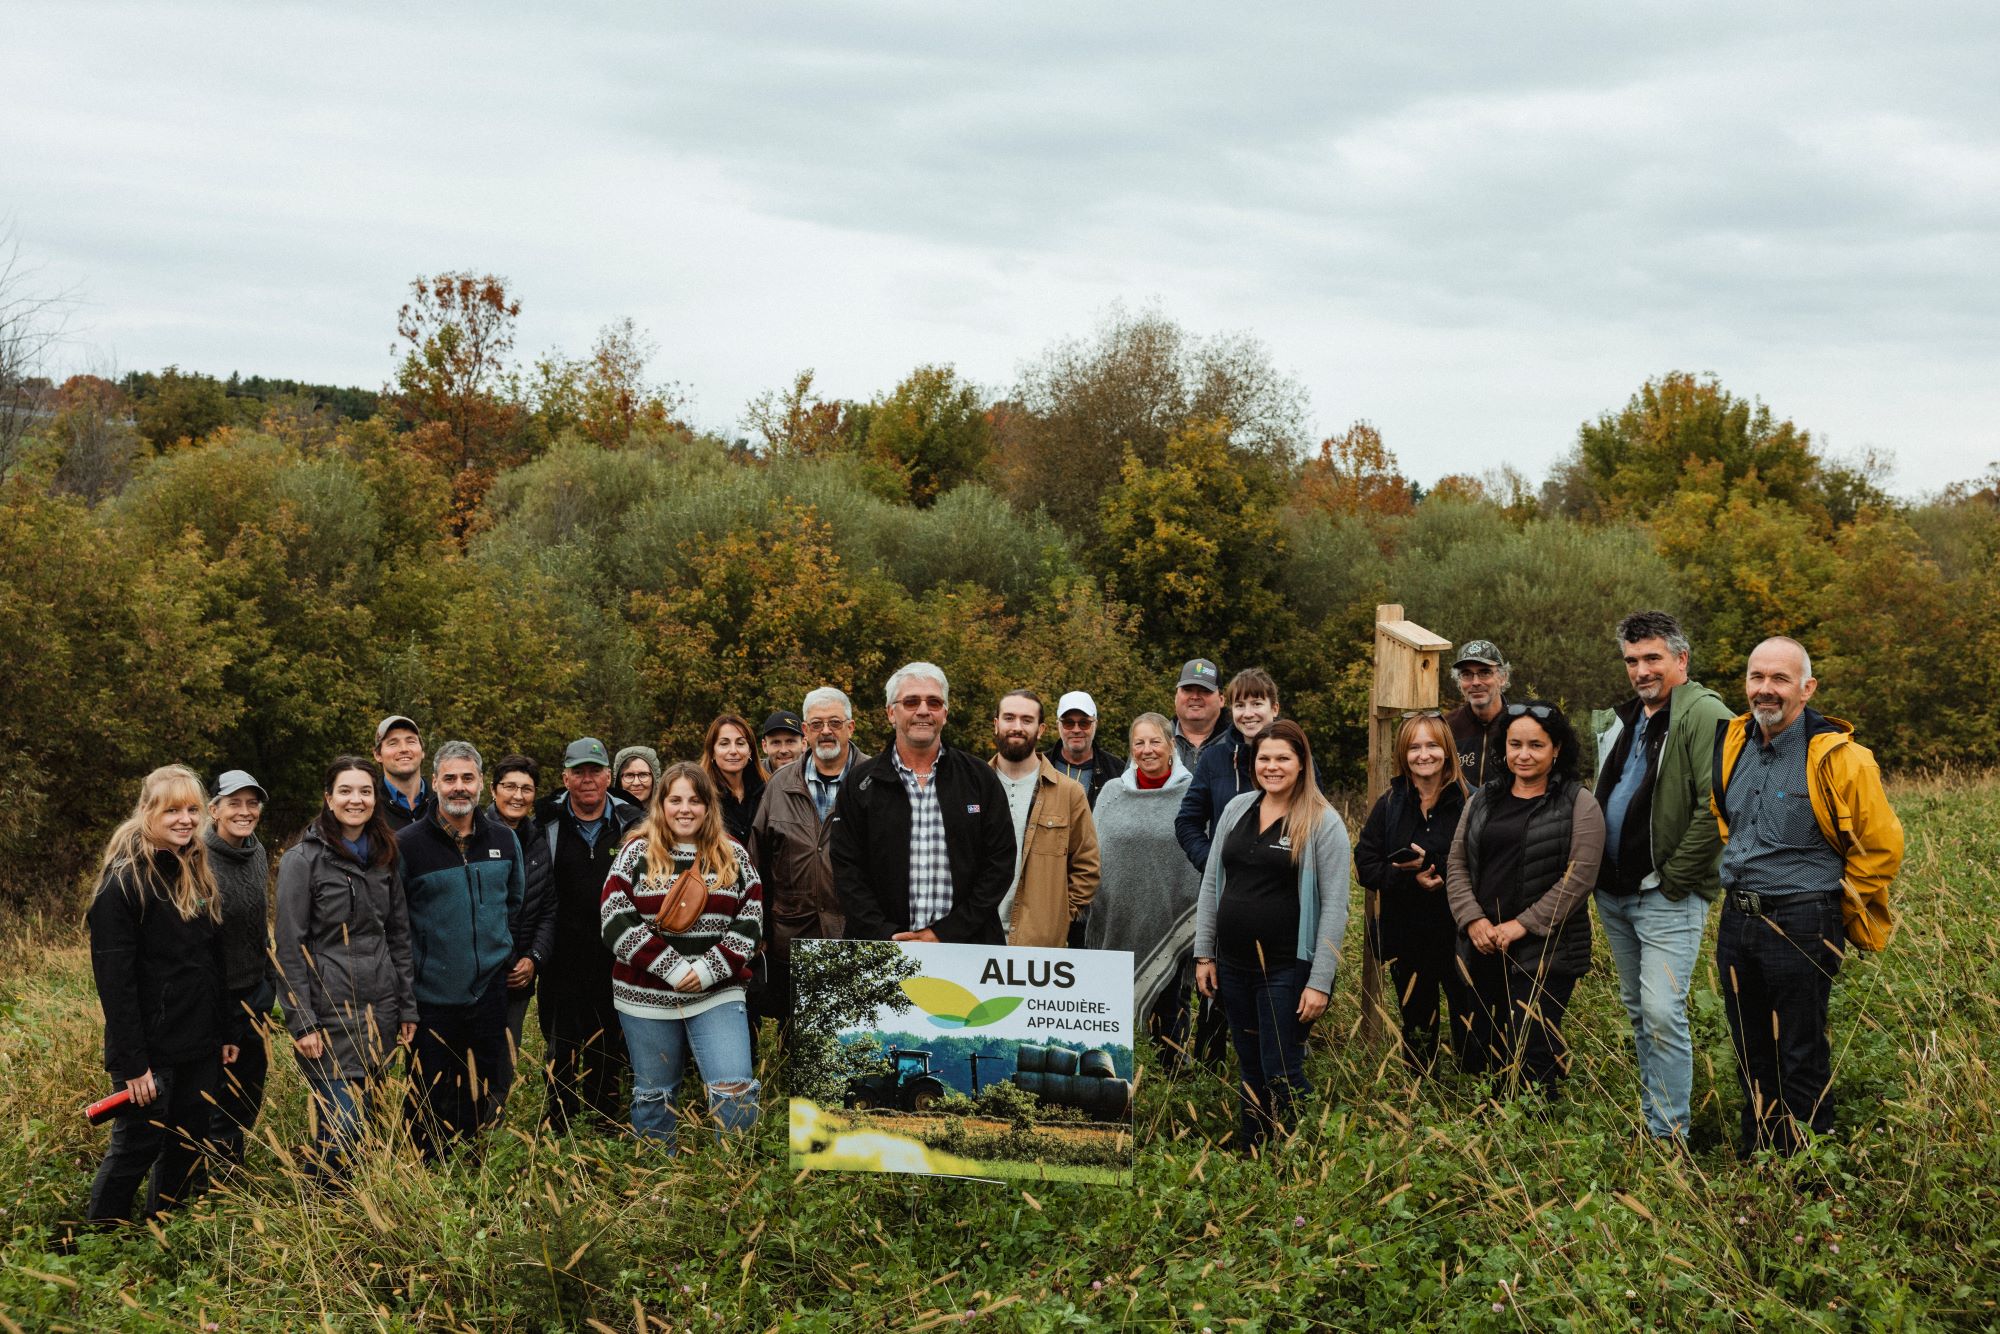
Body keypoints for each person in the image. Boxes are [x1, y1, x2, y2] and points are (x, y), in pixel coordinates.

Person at [1712, 636, 1904, 1157]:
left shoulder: (1842, 758)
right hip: (1737, 919)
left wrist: (1831, 912)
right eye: (1757, 677)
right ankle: (1760, 1156)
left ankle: (1809, 1167)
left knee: (1800, 1050)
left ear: (1806, 686)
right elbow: (1728, 820)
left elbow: (1882, 847)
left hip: (1803, 919)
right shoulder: (1732, 742)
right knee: (1750, 1047)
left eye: (1780, 679)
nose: (1766, 689)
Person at [1591, 611, 1734, 1142]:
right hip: (1615, 893)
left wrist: (1673, 879)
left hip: (1665, 894)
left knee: (1661, 1011)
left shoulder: (1704, 713)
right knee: (1638, 1010)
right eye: (1632, 660)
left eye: (1653, 658)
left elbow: (1716, 807)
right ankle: (1656, 1121)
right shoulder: (1629, 718)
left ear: (1681, 659)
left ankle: (1671, 1136)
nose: (1641, 670)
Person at [84, 766, 240, 1223]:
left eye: (192, 809)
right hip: (150, 1052)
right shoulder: (123, 884)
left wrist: (226, 1029)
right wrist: (134, 1064)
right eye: (172, 809)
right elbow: (115, 985)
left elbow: (213, 962)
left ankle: (162, 1230)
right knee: (138, 1145)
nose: (185, 819)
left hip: (200, 1041)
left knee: (188, 1141)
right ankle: (100, 1240)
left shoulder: (196, 870)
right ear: (147, 811)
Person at [1192, 721, 1351, 1152]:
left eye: (1283, 758)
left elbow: (1336, 906)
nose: (1272, 766)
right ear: (1252, 761)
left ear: (1301, 763)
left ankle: (1303, 1150)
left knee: (1281, 1065)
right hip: (1233, 964)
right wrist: (1204, 954)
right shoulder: (1237, 809)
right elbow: (1212, 884)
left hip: (1287, 968)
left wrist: (1320, 981)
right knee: (1248, 1063)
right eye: (1264, 758)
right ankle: (1253, 1145)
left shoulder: (1322, 821)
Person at [601, 763, 764, 1148]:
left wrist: (709, 969)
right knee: (655, 1093)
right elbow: (614, 917)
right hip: (646, 996)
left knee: (734, 1088)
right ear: (662, 804)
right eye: (675, 799)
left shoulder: (732, 854)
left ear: (709, 806)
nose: (685, 809)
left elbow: (751, 917)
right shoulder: (635, 852)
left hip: (717, 993)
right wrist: (671, 967)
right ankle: (659, 1179)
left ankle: (734, 1174)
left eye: (695, 800)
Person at [1446, 701, 1603, 1095]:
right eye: (1515, 744)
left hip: (1545, 951)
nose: (1524, 754)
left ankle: (1537, 1135)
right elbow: (1457, 863)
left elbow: (1579, 877)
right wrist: (1473, 920)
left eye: (1536, 745)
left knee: (1532, 1049)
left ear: (1557, 749)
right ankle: (1494, 1137)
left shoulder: (1577, 802)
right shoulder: (1483, 799)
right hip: (1484, 947)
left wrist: (1521, 925)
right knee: (1487, 1050)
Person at [275, 757, 417, 1176]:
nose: (356, 799)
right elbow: (288, 946)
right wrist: (302, 1021)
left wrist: (406, 1007)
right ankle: (321, 1215)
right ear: (328, 798)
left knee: (369, 1130)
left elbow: (399, 936)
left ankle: (355, 1222)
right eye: (346, 791)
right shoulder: (302, 861)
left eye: (365, 791)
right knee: (343, 1134)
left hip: (381, 1014)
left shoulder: (385, 855)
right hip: (329, 1017)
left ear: (376, 797)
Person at [397, 742, 523, 1160]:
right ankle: (428, 1177)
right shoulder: (407, 846)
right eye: (449, 778)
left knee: (481, 1088)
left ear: (481, 784)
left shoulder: (504, 840)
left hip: (488, 993)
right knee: (430, 1096)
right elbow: (395, 919)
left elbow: (514, 903)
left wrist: (497, 954)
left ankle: (472, 1170)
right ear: (434, 783)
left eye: (467, 778)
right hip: (431, 994)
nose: (459, 787)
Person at [831, 661, 1016, 944]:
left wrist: (945, 933)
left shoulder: (980, 779)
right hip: (881, 948)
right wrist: (884, 934)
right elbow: (847, 870)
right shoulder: (860, 784)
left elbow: (999, 864)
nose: (923, 710)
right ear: (891, 713)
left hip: (966, 948)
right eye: (911, 701)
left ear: (945, 713)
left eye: (934, 702)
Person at [535, 737, 641, 1133]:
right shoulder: (545, 822)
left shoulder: (634, 821)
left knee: (608, 1040)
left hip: (616, 952)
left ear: (609, 776)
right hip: (560, 952)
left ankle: (604, 1119)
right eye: (578, 772)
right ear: (565, 778)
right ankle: (559, 1120)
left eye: (595, 771)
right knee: (560, 1042)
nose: (587, 779)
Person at [1354, 714, 1470, 1071]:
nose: (1424, 754)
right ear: (1403, 754)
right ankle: (1422, 1098)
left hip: (1460, 935)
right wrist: (1405, 878)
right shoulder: (1391, 804)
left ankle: (1477, 1095)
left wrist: (1439, 868)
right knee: (1418, 1023)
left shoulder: (1471, 801)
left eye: (1432, 745)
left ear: (1447, 750)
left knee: (1471, 1018)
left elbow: (1487, 863)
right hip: (1407, 935)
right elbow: (1364, 863)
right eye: (1414, 747)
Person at [751, 686, 869, 1033]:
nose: (826, 731)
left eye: (835, 722)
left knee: (855, 1038)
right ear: (805, 732)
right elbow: (756, 864)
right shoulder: (779, 785)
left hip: (857, 936)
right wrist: (758, 929)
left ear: (851, 727)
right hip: (793, 937)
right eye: (816, 724)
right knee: (797, 1042)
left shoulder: (875, 780)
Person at [1087, 713, 1201, 1056]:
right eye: (1139, 743)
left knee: (1170, 1012)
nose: (1147, 750)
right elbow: (1095, 852)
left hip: (1170, 919)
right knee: (1112, 1015)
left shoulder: (1192, 792)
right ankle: (1121, 1078)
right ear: (1131, 749)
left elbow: (1195, 861)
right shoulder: (1111, 793)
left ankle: (1170, 1082)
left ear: (1171, 746)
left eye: (1155, 742)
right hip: (1116, 921)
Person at [203, 769, 277, 1172]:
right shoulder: (196, 857)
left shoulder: (257, 850)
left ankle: (231, 1169)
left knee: (249, 1089)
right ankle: (208, 1180)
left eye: (252, 803)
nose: (245, 811)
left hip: (256, 992)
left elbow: (255, 921)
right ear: (214, 809)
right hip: (217, 998)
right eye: (234, 803)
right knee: (217, 1093)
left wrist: (269, 981)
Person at [990, 689, 1100, 947]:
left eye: (1027, 720)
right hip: (978, 938)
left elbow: (1087, 866)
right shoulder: (973, 786)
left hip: (1041, 945)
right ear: (996, 725)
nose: (1017, 727)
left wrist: (1060, 917)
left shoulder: (1069, 792)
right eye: (1009, 718)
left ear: (1040, 730)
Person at [487, 754, 554, 1076]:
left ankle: (492, 1126)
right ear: (493, 790)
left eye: (526, 788)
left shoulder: (538, 842)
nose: (517, 795)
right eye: (509, 786)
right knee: (471, 1061)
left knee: (505, 1064)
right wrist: (507, 958)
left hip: (520, 976)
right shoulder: (474, 835)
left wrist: (533, 958)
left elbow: (548, 909)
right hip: (481, 975)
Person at [1446, 642, 1511, 788]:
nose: (1475, 682)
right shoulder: (1446, 727)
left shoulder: (1518, 723)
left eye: (1485, 672)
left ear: (1503, 678)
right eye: (1466, 674)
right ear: (1459, 681)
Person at [1045, 691, 1125, 808]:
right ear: (1058, 725)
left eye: (1084, 723)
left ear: (1095, 725)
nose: (1076, 730)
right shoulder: (1040, 766)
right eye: (1068, 723)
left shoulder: (1116, 770)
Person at [702, 713, 766, 847]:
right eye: (724, 744)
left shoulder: (767, 790)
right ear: (712, 751)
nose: (733, 751)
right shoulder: (701, 793)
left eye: (740, 743)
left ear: (750, 751)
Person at [373, 714, 434, 831]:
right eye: (393, 743)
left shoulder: (442, 801)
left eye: (411, 741)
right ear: (378, 755)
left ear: (422, 752)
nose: (404, 749)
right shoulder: (369, 805)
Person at [1170, 658, 1227, 771]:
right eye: (1187, 690)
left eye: (1205, 690)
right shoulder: (1154, 739)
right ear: (1176, 698)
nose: (1195, 696)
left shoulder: (1239, 741)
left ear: (1221, 700)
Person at [612, 746, 660, 810]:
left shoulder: (668, 815)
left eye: (643, 775)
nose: (636, 783)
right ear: (619, 780)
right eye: (629, 775)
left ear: (654, 778)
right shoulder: (609, 817)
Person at [759, 710, 806, 776]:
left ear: (803, 744)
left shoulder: (818, 774)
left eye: (790, 741)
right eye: (776, 742)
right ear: (764, 746)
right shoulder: (752, 778)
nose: (783, 750)